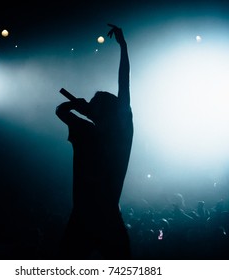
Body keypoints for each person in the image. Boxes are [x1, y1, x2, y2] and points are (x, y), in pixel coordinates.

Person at [56, 24, 133, 259]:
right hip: (107, 216)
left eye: (94, 101)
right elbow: (124, 86)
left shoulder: (87, 131)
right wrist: (123, 45)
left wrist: (78, 107)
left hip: (84, 217)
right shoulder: (115, 134)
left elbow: (60, 110)